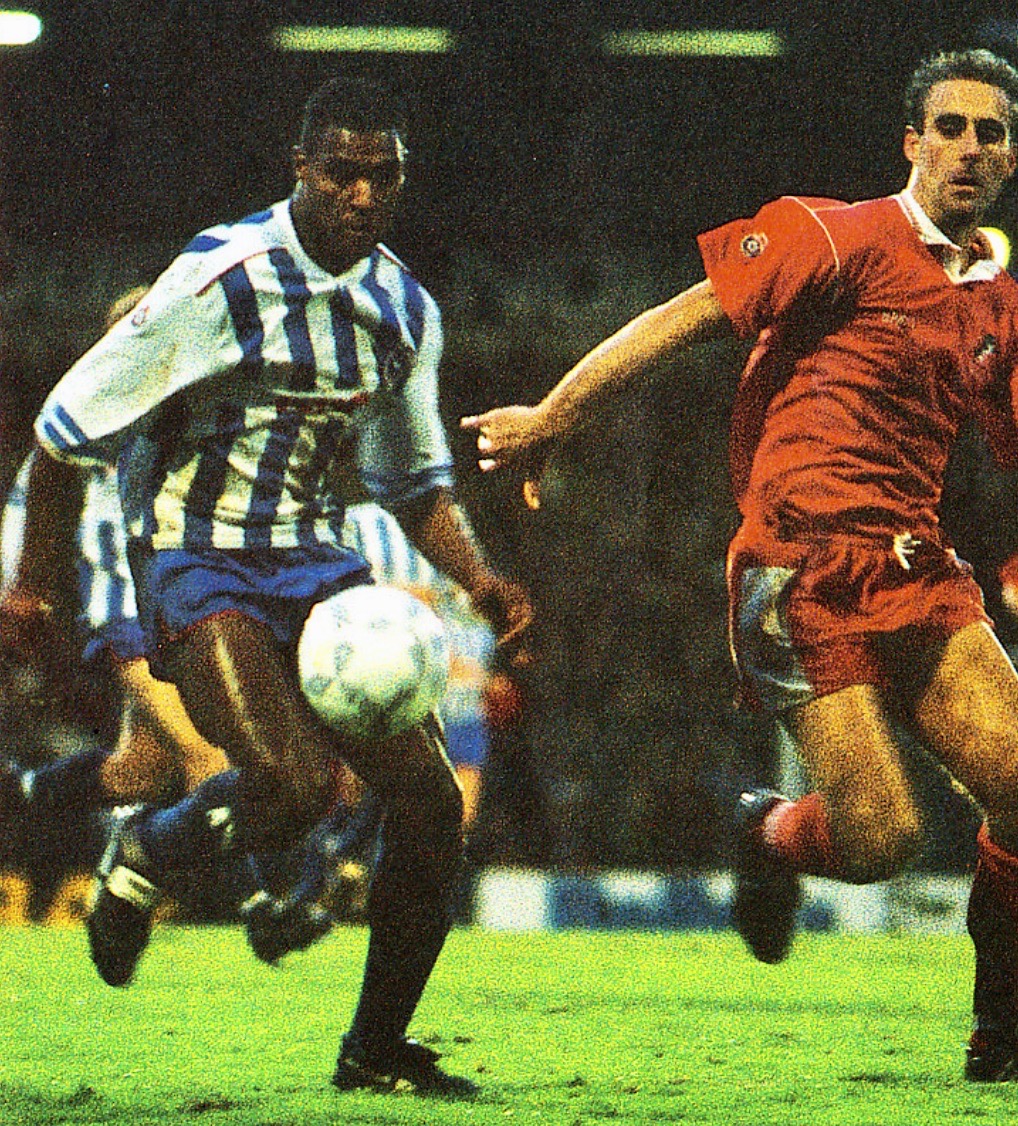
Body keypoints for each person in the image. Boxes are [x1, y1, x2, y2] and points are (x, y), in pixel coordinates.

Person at [462, 47, 1018, 1082]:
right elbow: (680, 318)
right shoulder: (834, 236)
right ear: (912, 141)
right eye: (950, 127)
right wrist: (552, 418)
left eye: (991, 133)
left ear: (1011, 156)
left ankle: (1001, 1036)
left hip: (917, 571)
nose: (969, 149)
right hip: (800, 573)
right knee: (883, 842)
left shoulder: (997, 302)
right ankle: (771, 833)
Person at [26, 76, 531, 1097]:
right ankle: (149, 849)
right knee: (295, 785)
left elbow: (411, 479)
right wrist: (31, 586)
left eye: (381, 175)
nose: (361, 194)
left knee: (431, 803)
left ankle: (375, 1048)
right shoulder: (220, 278)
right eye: (340, 172)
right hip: (195, 553)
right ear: (301, 168)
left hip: (316, 561)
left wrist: (479, 577)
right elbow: (61, 432)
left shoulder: (404, 310)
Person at [0, 289, 230, 857]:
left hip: (186, 606)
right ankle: (247, 896)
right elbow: (29, 510)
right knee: (209, 755)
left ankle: (16, 792)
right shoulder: (87, 422)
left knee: (140, 772)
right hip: (128, 613)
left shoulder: (203, 420)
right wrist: (20, 596)